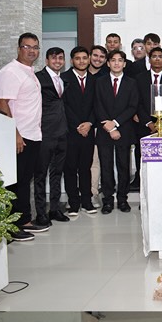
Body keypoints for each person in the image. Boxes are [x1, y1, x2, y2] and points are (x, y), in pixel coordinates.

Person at [0, 32, 49, 241]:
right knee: (14, 182)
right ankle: (11, 226)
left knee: (25, 180)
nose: (32, 51)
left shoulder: (29, 71)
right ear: (19, 48)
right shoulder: (10, 72)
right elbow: (1, 102)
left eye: (35, 47)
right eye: (27, 47)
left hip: (32, 133)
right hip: (19, 135)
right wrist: (15, 133)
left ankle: (24, 220)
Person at [94, 49, 138, 214]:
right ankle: (107, 200)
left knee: (123, 166)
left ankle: (122, 199)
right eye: (113, 60)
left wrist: (116, 123)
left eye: (120, 60)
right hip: (104, 130)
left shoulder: (131, 83)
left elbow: (132, 106)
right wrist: (110, 127)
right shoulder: (100, 82)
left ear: (124, 64)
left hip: (124, 130)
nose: (117, 63)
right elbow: (97, 105)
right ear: (108, 63)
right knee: (106, 167)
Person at [33, 47, 69, 226]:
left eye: (60, 58)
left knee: (57, 173)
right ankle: (41, 213)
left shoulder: (63, 80)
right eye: (54, 58)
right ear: (46, 60)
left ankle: (54, 209)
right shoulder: (38, 78)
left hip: (62, 133)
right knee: (40, 175)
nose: (57, 61)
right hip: (44, 133)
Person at [61, 45, 98, 215]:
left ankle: (87, 201)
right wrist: (77, 125)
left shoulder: (95, 80)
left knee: (85, 167)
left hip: (88, 131)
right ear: (71, 61)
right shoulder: (63, 79)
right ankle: (73, 203)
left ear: (89, 59)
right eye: (77, 58)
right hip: (70, 131)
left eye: (84, 58)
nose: (81, 61)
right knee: (70, 168)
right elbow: (64, 106)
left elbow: (97, 105)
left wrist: (89, 123)